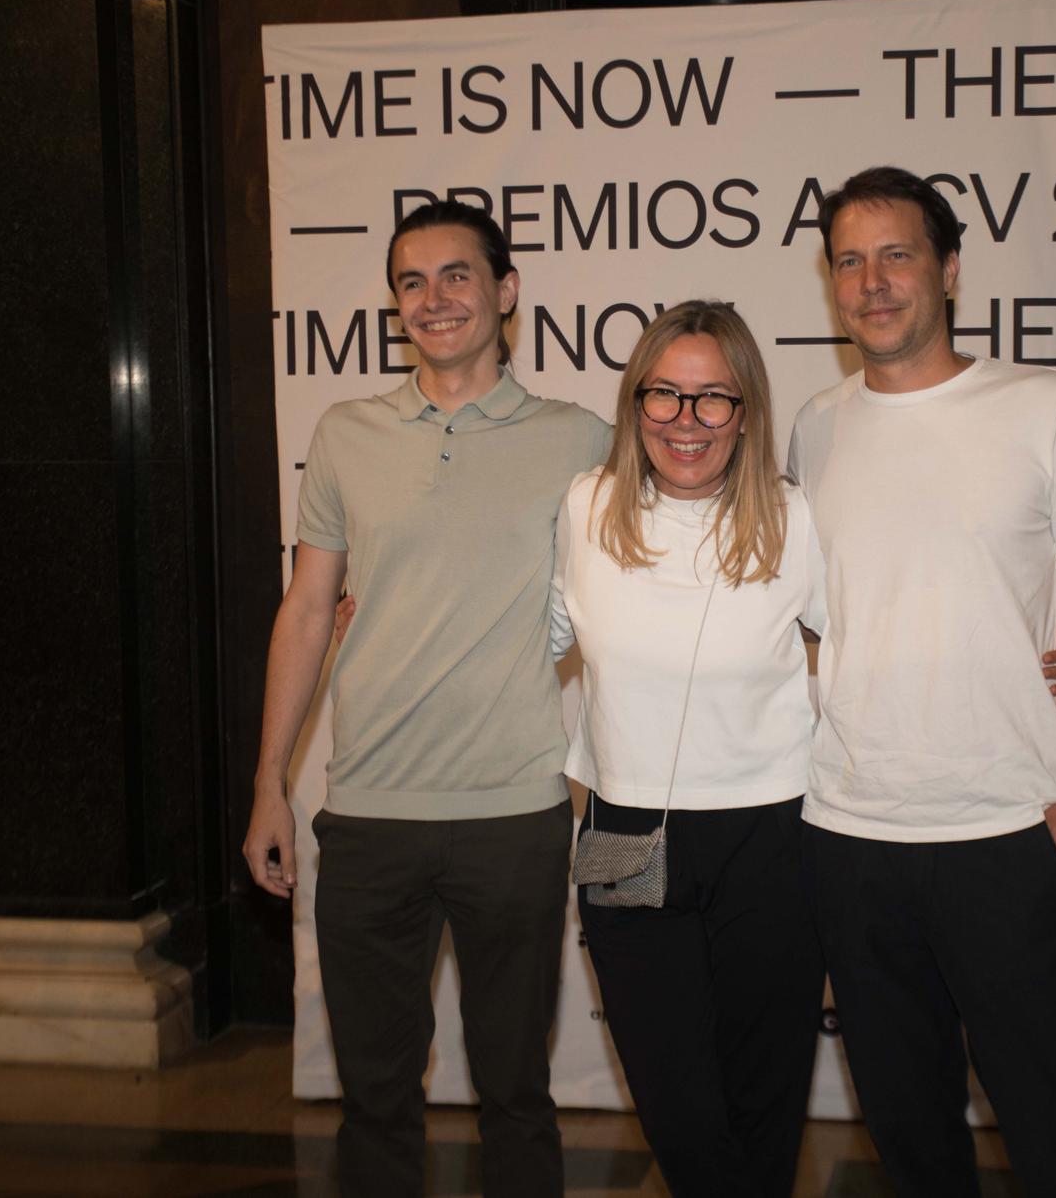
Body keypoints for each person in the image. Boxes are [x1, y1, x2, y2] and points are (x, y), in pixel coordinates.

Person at [241, 199, 610, 1197]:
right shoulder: (346, 433)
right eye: (412, 281)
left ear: (505, 291)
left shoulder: (579, 440)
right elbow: (308, 611)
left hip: (514, 816)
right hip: (366, 818)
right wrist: (270, 783)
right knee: (374, 1103)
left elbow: (657, 583)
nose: (434, 298)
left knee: (517, 1098)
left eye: (456, 275)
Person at [788, 166, 1056, 1196]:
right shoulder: (813, 425)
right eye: (848, 259)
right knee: (910, 1140)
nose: (872, 280)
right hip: (849, 838)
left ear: (946, 269)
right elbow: (815, 628)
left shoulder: (1041, 406)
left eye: (895, 253)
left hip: (1010, 831)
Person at [549, 300, 826, 1196]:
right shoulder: (587, 507)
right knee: (679, 1109)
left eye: (713, 399)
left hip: (771, 837)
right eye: (663, 395)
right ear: (635, 405)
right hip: (626, 828)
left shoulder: (794, 519)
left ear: (746, 412)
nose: (686, 421)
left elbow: (878, 643)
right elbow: (530, 631)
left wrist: (1041, 665)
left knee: (764, 1101)